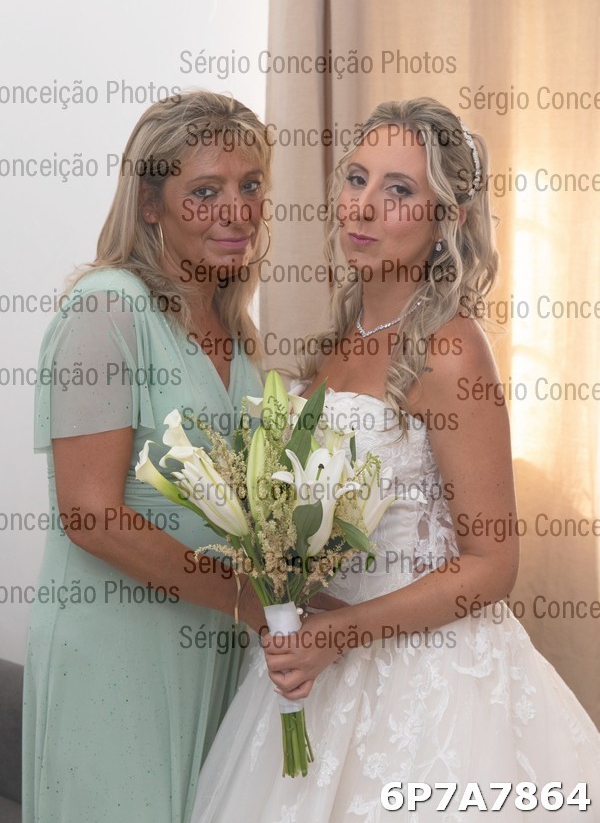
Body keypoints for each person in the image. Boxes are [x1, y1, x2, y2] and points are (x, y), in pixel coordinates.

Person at [190, 98, 600, 821]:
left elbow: (492, 565)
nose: (365, 205)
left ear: (447, 219)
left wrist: (338, 634)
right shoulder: (341, 339)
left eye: (399, 189)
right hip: (317, 668)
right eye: (357, 179)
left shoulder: (451, 349)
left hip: (429, 685)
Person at [23, 90, 274, 823]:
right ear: (150, 203)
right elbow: (91, 515)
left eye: (250, 185)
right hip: (118, 648)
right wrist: (246, 599)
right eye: (206, 191)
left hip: (213, 646)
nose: (237, 210)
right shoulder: (108, 307)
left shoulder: (236, 329)